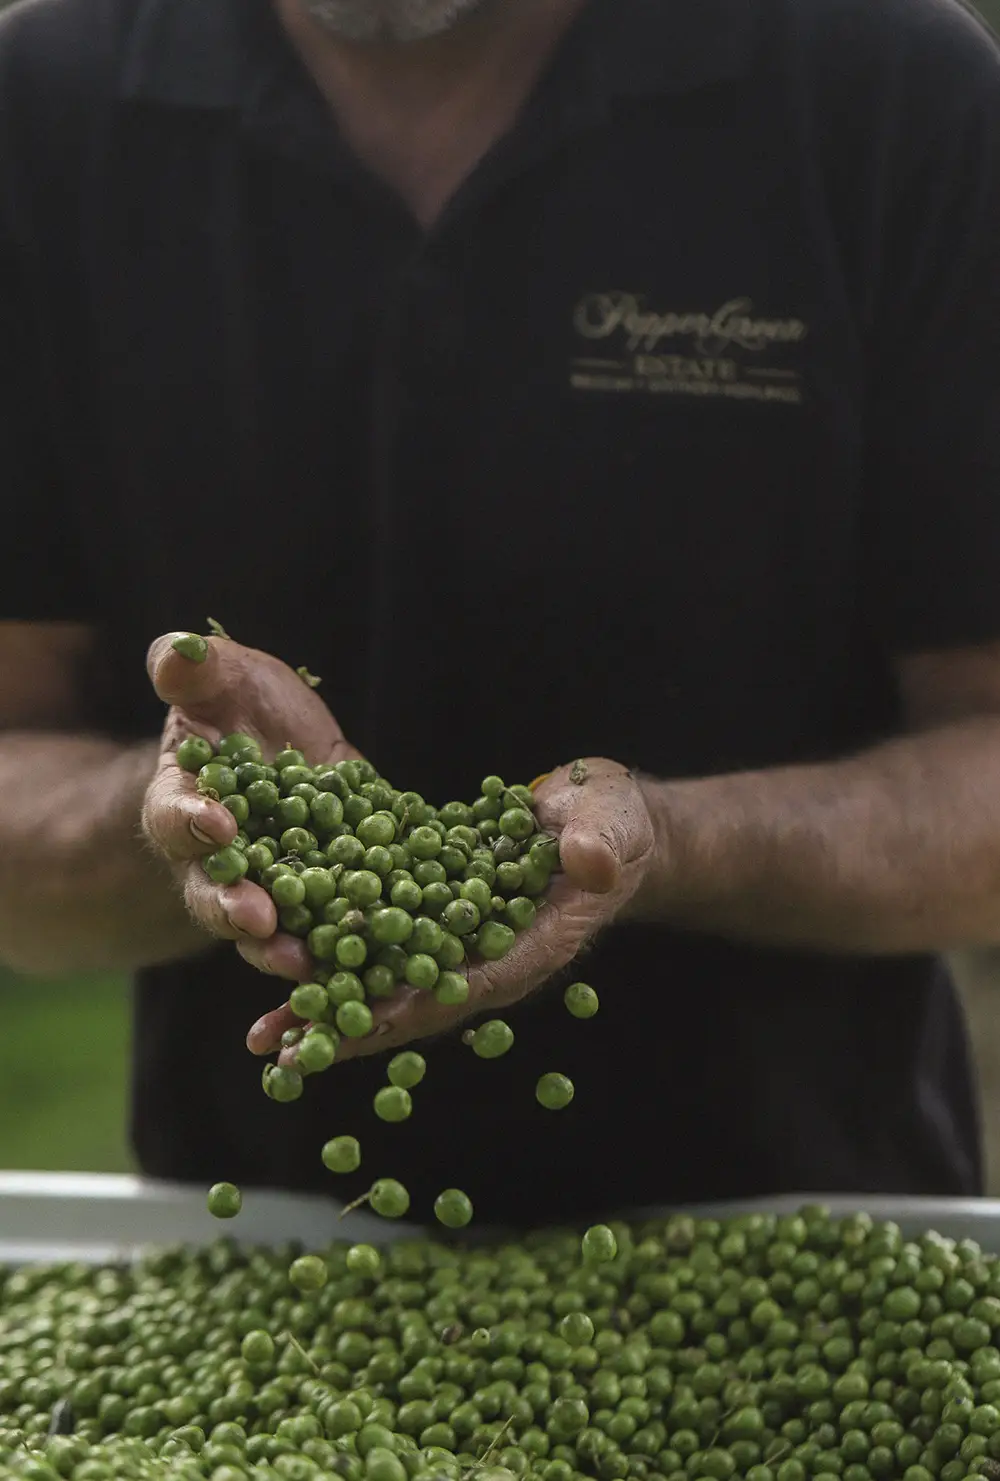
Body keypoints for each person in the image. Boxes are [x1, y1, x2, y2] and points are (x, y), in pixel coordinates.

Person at [2, 0, 1000, 1229]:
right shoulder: (44, 105)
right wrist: (186, 815)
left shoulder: (891, 87)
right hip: (265, 1270)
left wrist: (672, 839)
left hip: (815, 1258)